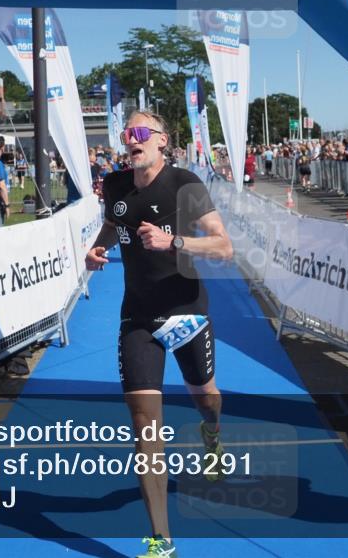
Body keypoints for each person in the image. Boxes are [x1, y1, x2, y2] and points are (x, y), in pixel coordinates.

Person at [84, 110, 233, 558]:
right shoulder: (115, 185)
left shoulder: (185, 183)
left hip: (187, 314)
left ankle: (212, 435)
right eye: (126, 133)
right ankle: (161, 541)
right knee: (145, 425)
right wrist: (98, 247)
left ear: (162, 140)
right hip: (137, 317)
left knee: (206, 397)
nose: (130, 139)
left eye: (139, 132)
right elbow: (115, 224)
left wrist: (176, 242)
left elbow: (224, 246)